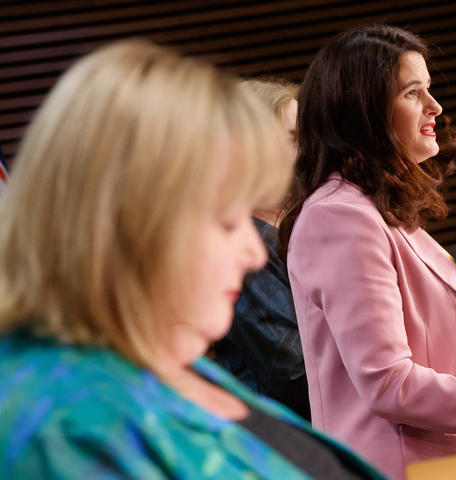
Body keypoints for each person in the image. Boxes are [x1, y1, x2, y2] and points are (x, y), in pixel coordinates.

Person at [0, 39, 385, 479]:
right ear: (125, 223)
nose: (253, 250)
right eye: (225, 220)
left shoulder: (166, 362)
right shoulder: (61, 433)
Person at [279, 25, 456, 480]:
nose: (435, 107)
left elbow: (448, 354)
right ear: (363, 110)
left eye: (430, 90)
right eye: (412, 92)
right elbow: (389, 383)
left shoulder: (379, 211)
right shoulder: (338, 217)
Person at [213, 78, 311, 420]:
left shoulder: (301, 226)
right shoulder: (246, 249)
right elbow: (294, 373)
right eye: (292, 139)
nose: (310, 151)